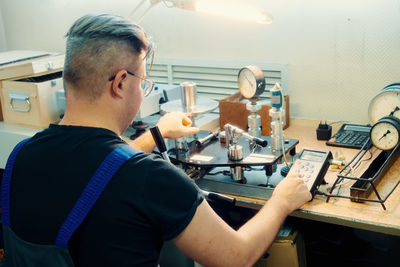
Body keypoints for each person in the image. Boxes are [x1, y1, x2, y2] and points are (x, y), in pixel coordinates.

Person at [1, 14, 311, 267]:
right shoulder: (149, 178)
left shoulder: (19, 157)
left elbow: (98, 173)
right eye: (145, 83)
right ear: (121, 83)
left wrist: (156, 134)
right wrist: (281, 201)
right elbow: (237, 256)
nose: (143, 92)